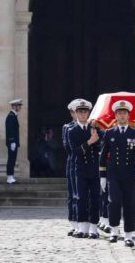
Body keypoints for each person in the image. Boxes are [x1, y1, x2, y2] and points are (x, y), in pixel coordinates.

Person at [99, 100, 135, 247]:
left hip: (130, 175)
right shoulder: (109, 133)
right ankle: (114, 232)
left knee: (129, 204)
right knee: (113, 202)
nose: (122, 116)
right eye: (119, 113)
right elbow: (103, 156)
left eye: (124, 113)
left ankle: (129, 235)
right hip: (113, 175)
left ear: (128, 116)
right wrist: (102, 176)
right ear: (115, 116)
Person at [68, 99, 102, 239]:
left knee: (95, 198)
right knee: (80, 198)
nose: (83, 114)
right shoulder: (72, 130)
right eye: (80, 112)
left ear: (89, 113)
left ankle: (93, 228)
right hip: (80, 168)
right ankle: (82, 227)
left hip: (94, 168)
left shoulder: (95, 129)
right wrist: (89, 142)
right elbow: (74, 151)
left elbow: (101, 147)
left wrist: (96, 140)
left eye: (85, 112)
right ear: (75, 114)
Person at [62, 100, 79, 235]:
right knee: (73, 194)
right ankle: (74, 221)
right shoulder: (68, 128)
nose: (78, 114)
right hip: (73, 163)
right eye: (75, 112)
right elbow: (68, 148)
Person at [6, 99, 22, 184]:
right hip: (12, 142)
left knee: (13, 158)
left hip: (14, 142)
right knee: (11, 158)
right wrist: (12, 141)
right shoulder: (11, 117)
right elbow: (10, 130)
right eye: (18, 106)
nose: (20, 107)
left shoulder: (13, 116)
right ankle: (9, 176)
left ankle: (11, 176)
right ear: (14, 106)